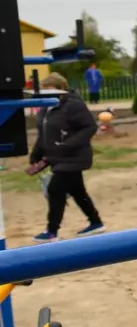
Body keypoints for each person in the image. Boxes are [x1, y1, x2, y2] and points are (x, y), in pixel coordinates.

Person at [28, 73, 105, 242]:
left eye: (48, 89)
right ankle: (96, 222)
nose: (44, 93)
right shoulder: (45, 108)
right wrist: (36, 155)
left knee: (55, 190)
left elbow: (90, 127)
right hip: (56, 157)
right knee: (77, 191)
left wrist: (68, 144)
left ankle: (51, 231)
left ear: (61, 88)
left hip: (73, 156)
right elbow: (44, 134)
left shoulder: (73, 105)